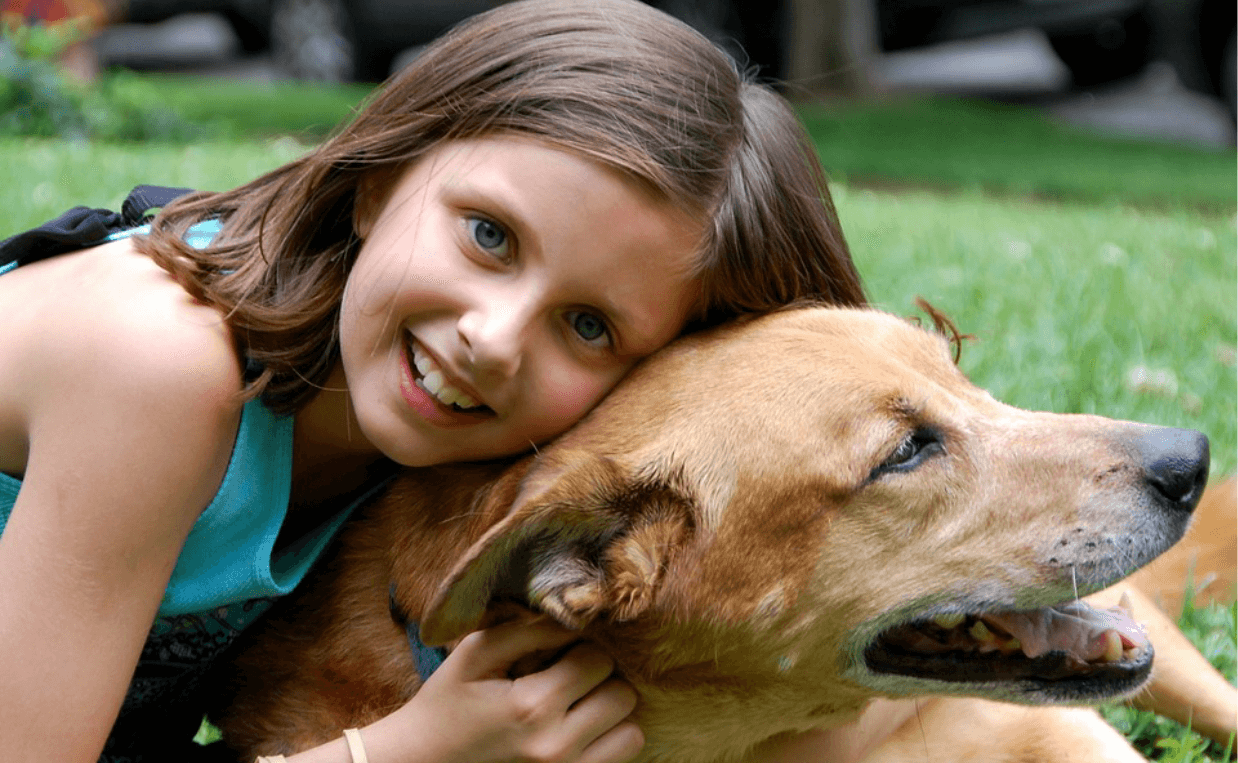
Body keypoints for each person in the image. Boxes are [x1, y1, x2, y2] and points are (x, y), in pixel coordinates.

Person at [0, 0, 865, 761]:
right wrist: (406, 750)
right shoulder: (156, 363)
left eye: (589, 325)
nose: (492, 340)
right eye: (489, 236)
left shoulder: (453, 447)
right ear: (383, 178)